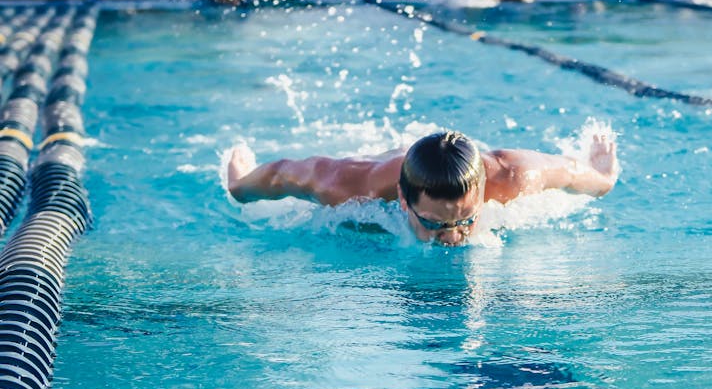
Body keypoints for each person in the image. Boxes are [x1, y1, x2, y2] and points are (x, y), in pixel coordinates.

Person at [227, 130, 618, 246]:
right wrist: (239, 185)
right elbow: (283, 174)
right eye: (432, 224)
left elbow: (569, 173)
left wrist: (602, 178)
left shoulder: (514, 178)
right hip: (390, 161)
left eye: (467, 220)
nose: (452, 238)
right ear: (402, 199)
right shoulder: (348, 186)